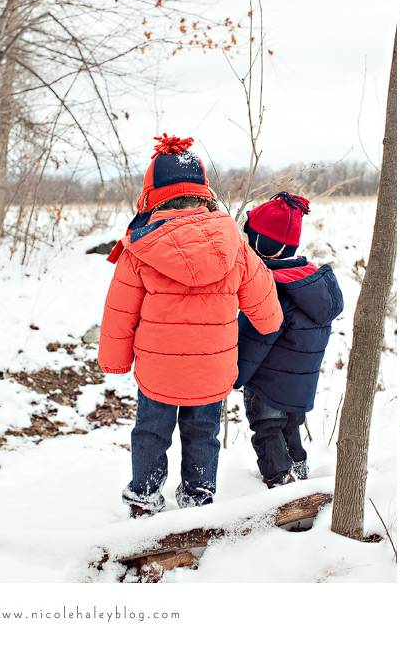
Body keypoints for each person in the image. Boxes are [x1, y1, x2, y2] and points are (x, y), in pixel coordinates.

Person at [99, 134, 283, 518]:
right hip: (212, 371)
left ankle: (144, 499)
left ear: (152, 195)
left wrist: (115, 360)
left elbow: (120, 312)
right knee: (203, 433)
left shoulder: (140, 247)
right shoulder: (233, 242)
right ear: (204, 192)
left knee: (151, 433)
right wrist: (267, 324)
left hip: (158, 371)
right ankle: (198, 498)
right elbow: (267, 311)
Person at [234, 192, 344, 488]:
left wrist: (234, 375)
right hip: (299, 385)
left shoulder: (272, 289)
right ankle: (299, 468)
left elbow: (254, 339)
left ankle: (280, 480)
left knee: (267, 429)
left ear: (260, 247)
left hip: (268, 384)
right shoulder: (310, 284)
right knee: (290, 426)